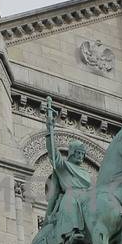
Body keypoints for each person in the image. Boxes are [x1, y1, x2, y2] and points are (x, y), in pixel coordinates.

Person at [43, 97, 90, 235]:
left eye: (83, 154)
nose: (81, 156)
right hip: (71, 196)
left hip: (86, 197)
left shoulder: (86, 173)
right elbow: (53, 153)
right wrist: (49, 128)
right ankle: (71, 233)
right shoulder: (64, 166)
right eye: (78, 153)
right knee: (70, 200)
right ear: (72, 153)